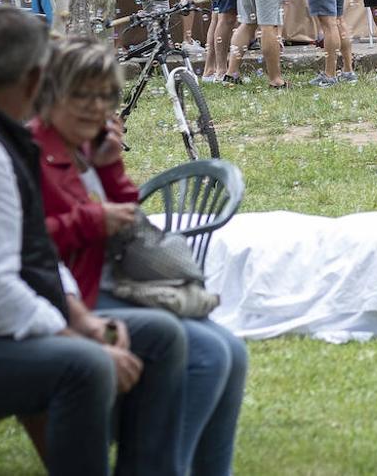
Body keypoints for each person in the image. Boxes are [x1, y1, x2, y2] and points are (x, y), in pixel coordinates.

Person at [0, 6, 186, 476]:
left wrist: (80, 317)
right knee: (88, 366)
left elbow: (34, 250)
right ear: (38, 79)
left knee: (163, 337)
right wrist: (73, 334)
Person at [31, 36, 247, 475]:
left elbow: (126, 222)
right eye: (82, 94)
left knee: (233, 352)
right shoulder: (34, 152)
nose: (95, 107)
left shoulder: (82, 148)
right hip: (70, 295)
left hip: (110, 281)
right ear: (52, 92)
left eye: (105, 96)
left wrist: (109, 167)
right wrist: (93, 220)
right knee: (206, 353)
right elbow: (27, 244)